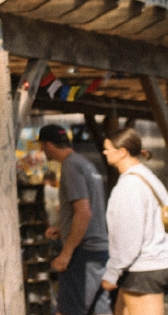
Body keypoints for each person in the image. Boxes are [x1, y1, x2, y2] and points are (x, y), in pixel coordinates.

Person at [100, 127, 168, 315]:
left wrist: (112, 273)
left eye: (108, 149)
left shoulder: (130, 186)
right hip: (149, 263)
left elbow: (129, 236)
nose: (104, 152)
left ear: (122, 152)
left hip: (144, 267)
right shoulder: (146, 176)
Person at [39, 125, 110, 315]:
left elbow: (84, 212)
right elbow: (90, 210)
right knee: (99, 311)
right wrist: (65, 228)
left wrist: (66, 253)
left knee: (68, 311)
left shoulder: (70, 166)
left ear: (47, 145)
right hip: (100, 252)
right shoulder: (86, 164)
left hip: (83, 254)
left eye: (41, 146)